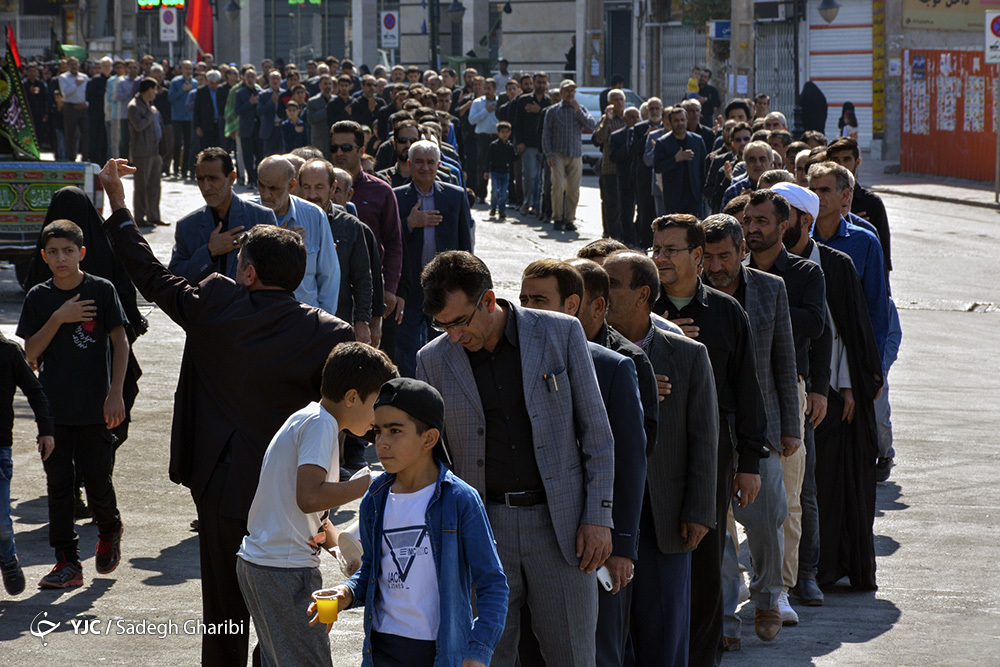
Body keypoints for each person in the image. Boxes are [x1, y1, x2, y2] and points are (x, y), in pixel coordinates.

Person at [98, 157, 355, 666]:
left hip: (221, 486)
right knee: (285, 610)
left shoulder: (216, 301)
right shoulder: (330, 333)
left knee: (224, 609)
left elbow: (150, 275)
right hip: (293, 499)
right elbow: (348, 414)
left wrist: (120, 206)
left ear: (250, 271)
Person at [415, 251, 614, 666]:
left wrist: (598, 517)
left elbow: (596, 432)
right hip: (484, 529)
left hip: (563, 528)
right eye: (442, 325)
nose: (453, 335)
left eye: (459, 322)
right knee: (485, 656)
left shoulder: (560, 333)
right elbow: (434, 457)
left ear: (488, 301)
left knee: (574, 657)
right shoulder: (431, 360)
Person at [318, 377, 509, 667]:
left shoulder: (460, 500)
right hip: (381, 650)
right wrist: (346, 592)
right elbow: (370, 568)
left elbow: (493, 585)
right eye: (378, 431)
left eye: (395, 431)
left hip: (440, 653)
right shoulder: (375, 496)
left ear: (429, 439)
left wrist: (478, 651)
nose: (382, 443)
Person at [649, 214, 768, 667]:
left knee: (704, 562)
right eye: (655, 248)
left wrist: (750, 462)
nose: (660, 258)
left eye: (670, 249)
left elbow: (747, 390)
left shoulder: (724, 311)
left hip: (708, 455)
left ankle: (702, 656)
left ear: (698, 257)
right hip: (650, 452)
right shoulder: (640, 308)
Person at [518, 259, 647, 667]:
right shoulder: (510, 361)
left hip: (592, 545)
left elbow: (627, 461)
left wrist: (620, 543)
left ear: (572, 305)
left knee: (595, 650)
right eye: (523, 300)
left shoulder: (611, 367)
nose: (528, 309)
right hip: (529, 539)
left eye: (540, 300)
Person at [236, 343, 397, 667]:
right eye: (376, 405)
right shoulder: (321, 425)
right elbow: (309, 497)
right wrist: (370, 483)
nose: (379, 418)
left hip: (262, 566)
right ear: (351, 397)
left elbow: (314, 517)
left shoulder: (308, 419)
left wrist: (343, 553)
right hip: (283, 571)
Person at [601, 250, 718, 667]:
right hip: (607, 514)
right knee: (611, 631)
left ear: (642, 294)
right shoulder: (585, 352)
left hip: (665, 517)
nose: (602, 290)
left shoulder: (686, 355)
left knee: (664, 626)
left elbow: (705, 437)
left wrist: (700, 511)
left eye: (612, 283)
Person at [700, 213, 799, 647]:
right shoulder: (687, 297)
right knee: (716, 529)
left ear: (744, 251)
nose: (716, 266)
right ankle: (723, 622)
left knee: (765, 521)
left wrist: (790, 428)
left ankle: (766, 596)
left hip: (762, 429)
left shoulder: (770, 289)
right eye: (708, 257)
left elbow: (784, 360)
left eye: (725, 256)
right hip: (707, 430)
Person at [779, 181, 882, 592]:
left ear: (802, 220)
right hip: (790, 388)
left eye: (782, 213)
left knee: (829, 484)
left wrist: (850, 387)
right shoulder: (755, 263)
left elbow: (849, 332)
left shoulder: (835, 264)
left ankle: (822, 568)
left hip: (836, 392)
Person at [17, 219, 129, 590]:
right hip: (54, 411)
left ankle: (110, 529)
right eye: (52, 252)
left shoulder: (101, 290)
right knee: (59, 485)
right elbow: (30, 353)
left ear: (81, 253)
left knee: (97, 480)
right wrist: (59, 318)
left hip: (96, 407)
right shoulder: (39, 297)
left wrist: (116, 393)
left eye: (68, 251)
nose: (60, 258)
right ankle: (67, 562)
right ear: (44, 256)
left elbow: (120, 343)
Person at [745, 183, 830, 616]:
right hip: (739, 393)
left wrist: (768, 308)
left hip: (787, 389)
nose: (753, 229)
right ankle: (751, 580)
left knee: (788, 497)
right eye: (748, 220)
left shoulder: (803, 274)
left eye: (762, 221)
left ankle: (785, 585)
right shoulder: (730, 273)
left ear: (785, 225)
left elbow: (818, 326)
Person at [393, 140, 473, 378]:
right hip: (408, 287)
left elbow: (465, 247)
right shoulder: (397, 197)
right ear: (409, 164)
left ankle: (439, 389)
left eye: (430, 162)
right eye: (418, 161)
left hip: (444, 287)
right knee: (406, 346)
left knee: (443, 343)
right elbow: (389, 242)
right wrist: (410, 223)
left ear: (439, 164)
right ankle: (410, 391)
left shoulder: (455, 196)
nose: (425, 167)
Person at [331, 120, 404, 354]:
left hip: (372, 288)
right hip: (333, 290)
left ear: (362, 151)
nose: (339, 153)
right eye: (334, 149)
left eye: (346, 148)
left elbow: (393, 242)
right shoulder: (319, 188)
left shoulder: (381, 191)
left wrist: (390, 288)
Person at [808, 161, 889, 362]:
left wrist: (873, 364)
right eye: (812, 190)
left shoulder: (865, 241)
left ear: (845, 195)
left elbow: (876, 307)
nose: (817, 196)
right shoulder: (800, 239)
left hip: (850, 351)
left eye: (825, 190)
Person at [169, 147, 277, 283]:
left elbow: (274, 276)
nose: (206, 187)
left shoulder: (261, 218)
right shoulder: (187, 227)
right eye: (201, 179)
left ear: (231, 178)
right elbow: (175, 280)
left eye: (213, 179)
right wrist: (209, 252)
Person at [0, 333, 55, 596]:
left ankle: (8, 558)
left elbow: (35, 390)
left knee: (0, 521)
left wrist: (46, 430)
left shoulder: (8, 352)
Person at [298, 159, 375, 344]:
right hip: (298, 324)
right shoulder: (290, 223)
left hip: (338, 323)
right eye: (306, 187)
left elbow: (362, 278)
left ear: (333, 188)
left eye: (319, 187)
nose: (312, 194)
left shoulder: (350, 226)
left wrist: (362, 321)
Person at [255, 155, 341, 315]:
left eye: (273, 188)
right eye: (261, 186)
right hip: (260, 320)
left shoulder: (314, 216)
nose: (265, 195)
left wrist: (322, 323)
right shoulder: (248, 214)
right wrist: (276, 241)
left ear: (291, 185)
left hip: (304, 321)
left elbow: (329, 276)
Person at [826, 137, 891, 276]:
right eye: (836, 160)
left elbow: (884, 258)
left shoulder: (872, 203)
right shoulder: (820, 199)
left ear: (858, 162)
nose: (841, 165)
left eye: (846, 159)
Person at [541, 79, 596, 231]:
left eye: (572, 91)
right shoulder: (552, 111)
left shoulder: (580, 109)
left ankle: (569, 219)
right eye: (567, 91)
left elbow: (591, 126)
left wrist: (578, 110)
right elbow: (546, 134)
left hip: (575, 154)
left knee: (573, 189)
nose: (570, 93)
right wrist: (549, 154)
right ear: (561, 92)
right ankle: (557, 218)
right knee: (558, 186)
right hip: (558, 153)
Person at [653, 106, 708, 218]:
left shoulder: (697, 140)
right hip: (674, 197)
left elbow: (704, 166)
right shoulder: (663, 143)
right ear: (670, 122)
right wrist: (675, 159)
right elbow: (658, 167)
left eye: (682, 120)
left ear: (687, 121)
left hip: (694, 196)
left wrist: (704, 189)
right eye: (676, 121)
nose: (680, 123)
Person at [511, 72, 551, 216]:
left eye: (543, 82)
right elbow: (517, 123)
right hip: (528, 145)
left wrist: (540, 110)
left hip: (545, 146)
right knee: (530, 176)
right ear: (533, 83)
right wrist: (520, 142)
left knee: (543, 179)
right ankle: (527, 202)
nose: (541, 85)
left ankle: (537, 205)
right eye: (538, 82)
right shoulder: (523, 100)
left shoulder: (550, 102)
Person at [127, 78, 165, 228]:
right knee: (142, 185)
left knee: (155, 186)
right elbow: (138, 126)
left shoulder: (150, 105)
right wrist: (150, 114)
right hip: (142, 152)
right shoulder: (134, 106)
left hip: (155, 151)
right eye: (154, 89)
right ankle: (139, 217)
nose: (156, 92)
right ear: (149, 89)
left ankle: (154, 216)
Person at [593, 89, 627, 239]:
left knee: (625, 204)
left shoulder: (629, 117)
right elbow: (598, 139)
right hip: (609, 167)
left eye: (621, 99)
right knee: (610, 203)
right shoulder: (605, 119)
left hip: (626, 167)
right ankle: (610, 234)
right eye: (615, 100)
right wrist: (607, 119)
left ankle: (624, 233)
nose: (619, 102)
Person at [469, 79, 500, 203]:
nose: (487, 91)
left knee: (498, 165)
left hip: (497, 137)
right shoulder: (477, 103)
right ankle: (481, 193)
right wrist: (486, 110)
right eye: (485, 88)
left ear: (494, 89)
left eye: (489, 88)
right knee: (482, 165)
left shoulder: (500, 101)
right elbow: (472, 120)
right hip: (483, 137)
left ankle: (498, 195)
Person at [234, 67, 263, 186]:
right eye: (248, 77)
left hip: (259, 128)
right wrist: (249, 103)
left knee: (260, 154)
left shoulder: (261, 92)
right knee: (247, 155)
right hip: (246, 128)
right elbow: (237, 110)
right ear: (244, 78)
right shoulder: (240, 93)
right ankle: (250, 179)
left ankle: (257, 178)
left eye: (252, 77)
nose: (250, 79)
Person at [168, 60, 197, 179]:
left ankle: (186, 168)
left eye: (190, 68)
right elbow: (170, 98)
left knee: (189, 143)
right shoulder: (175, 82)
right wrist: (182, 90)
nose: (188, 71)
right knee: (177, 143)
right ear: (181, 70)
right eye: (186, 68)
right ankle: (175, 168)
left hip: (190, 117)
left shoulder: (195, 82)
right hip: (177, 117)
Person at [59, 57, 89, 162]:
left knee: (86, 133)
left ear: (79, 65)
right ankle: (71, 157)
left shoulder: (85, 77)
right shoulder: (63, 77)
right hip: (70, 107)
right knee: (70, 134)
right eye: (71, 64)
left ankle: (85, 156)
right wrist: (75, 84)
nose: (74, 66)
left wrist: (86, 104)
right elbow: (65, 93)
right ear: (68, 66)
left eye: (76, 64)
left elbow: (88, 93)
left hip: (83, 107)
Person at [486, 121, 516, 219]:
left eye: (507, 132)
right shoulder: (494, 145)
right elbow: (488, 159)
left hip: (505, 172)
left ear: (510, 133)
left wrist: (519, 154)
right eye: (503, 132)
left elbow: (513, 158)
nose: (505, 134)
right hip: (494, 172)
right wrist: (486, 171)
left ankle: (502, 210)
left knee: (504, 192)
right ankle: (493, 208)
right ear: (498, 133)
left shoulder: (509, 146)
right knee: (495, 191)